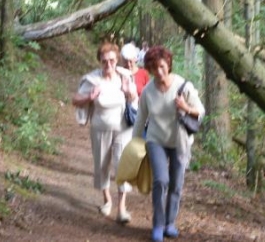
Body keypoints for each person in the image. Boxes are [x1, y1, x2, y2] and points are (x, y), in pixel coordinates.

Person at [132, 46, 205, 242]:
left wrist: (185, 107)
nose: (159, 71)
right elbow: (141, 118)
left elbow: (200, 111)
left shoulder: (183, 86)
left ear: (168, 65)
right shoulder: (148, 91)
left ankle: (169, 223)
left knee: (176, 184)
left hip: (180, 141)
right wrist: (135, 143)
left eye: (162, 66)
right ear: (150, 69)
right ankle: (158, 224)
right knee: (160, 181)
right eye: (154, 68)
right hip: (156, 140)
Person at [72, 38, 138, 224]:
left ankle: (122, 208)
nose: (108, 64)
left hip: (123, 129)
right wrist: (89, 97)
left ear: (117, 60)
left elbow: (134, 98)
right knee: (102, 166)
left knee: (122, 166)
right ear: (99, 61)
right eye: (104, 61)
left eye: (112, 60)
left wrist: (127, 91)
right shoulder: (92, 79)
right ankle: (107, 200)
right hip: (100, 128)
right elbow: (75, 99)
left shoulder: (125, 76)